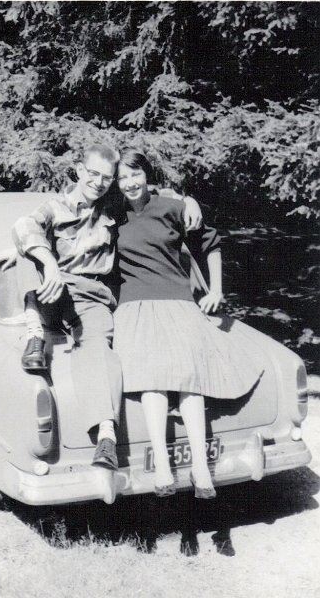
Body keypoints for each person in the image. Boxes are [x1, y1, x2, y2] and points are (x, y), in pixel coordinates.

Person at [11, 143, 203, 472]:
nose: (99, 183)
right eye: (93, 174)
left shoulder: (111, 205)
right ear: (79, 170)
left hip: (91, 295)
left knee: (98, 347)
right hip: (55, 287)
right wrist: (48, 262)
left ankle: (106, 436)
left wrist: (188, 199)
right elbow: (24, 227)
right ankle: (34, 331)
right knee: (24, 250)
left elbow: (150, 190)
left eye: (106, 178)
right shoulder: (54, 208)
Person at [113, 150, 263, 498]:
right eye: (122, 178)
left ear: (147, 175)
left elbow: (210, 244)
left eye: (135, 175)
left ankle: (200, 469)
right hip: (134, 306)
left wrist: (217, 290)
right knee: (153, 379)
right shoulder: (111, 213)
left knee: (190, 378)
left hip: (178, 301)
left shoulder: (172, 208)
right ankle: (163, 469)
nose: (129, 183)